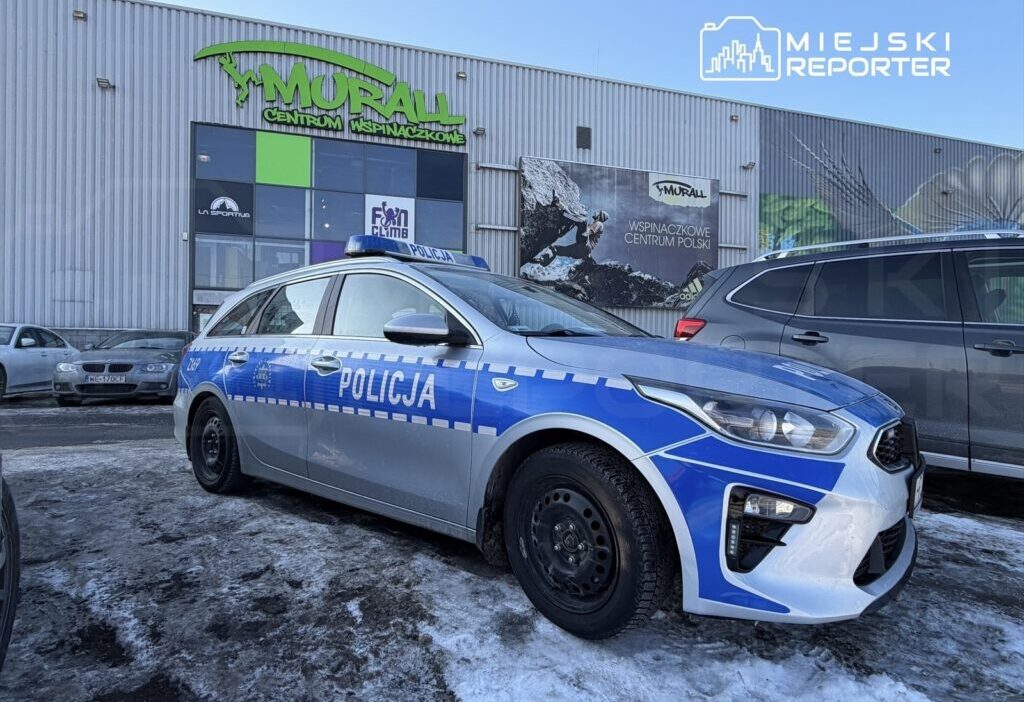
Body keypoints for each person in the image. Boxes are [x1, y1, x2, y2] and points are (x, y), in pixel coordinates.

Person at [534, 210, 609, 265]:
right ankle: (542, 260)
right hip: (581, 251)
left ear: (600, 216)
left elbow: (589, 232)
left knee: (583, 221)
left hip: (585, 245)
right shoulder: (597, 224)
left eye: (598, 213)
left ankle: (564, 213)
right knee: (555, 249)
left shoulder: (599, 223)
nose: (596, 213)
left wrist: (583, 229)